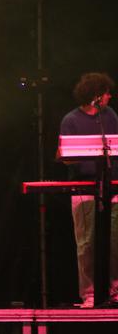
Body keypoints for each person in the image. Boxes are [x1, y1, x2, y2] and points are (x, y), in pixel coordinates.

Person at [59, 72, 118, 307]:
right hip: (83, 188)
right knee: (86, 243)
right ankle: (90, 293)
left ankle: (115, 289)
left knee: (115, 240)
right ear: (95, 96)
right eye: (105, 92)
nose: (109, 96)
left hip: (112, 186)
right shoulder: (70, 120)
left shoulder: (110, 116)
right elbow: (66, 156)